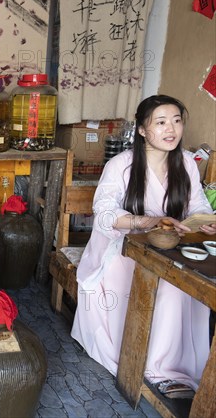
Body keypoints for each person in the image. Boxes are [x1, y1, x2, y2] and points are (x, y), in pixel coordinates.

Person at [71, 95, 216, 399]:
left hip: (169, 246)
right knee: (167, 285)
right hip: (122, 248)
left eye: (177, 121)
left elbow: (197, 204)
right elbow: (105, 212)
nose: (171, 129)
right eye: (161, 122)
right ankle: (156, 368)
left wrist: (205, 221)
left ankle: (178, 365)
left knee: (191, 283)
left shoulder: (187, 163)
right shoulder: (122, 165)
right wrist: (147, 221)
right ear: (141, 130)